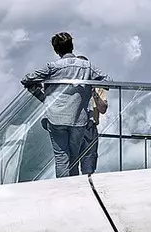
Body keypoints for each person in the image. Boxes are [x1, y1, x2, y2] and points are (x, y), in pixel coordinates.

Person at [23, 32, 106, 176]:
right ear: (72, 46)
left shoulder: (52, 67)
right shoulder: (86, 66)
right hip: (78, 118)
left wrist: (45, 98)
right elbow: (107, 80)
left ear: (56, 50)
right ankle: (73, 189)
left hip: (55, 117)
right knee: (74, 157)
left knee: (61, 157)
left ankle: (64, 190)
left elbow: (27, 80)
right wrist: (87, 87)